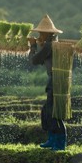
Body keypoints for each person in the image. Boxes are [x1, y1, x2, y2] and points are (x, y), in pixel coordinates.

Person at [28, 14, 67, 151]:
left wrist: (32, 46)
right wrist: (40, 45)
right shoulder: (52, 45)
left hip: (55, 79)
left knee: (53, 111)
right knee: (47, 110)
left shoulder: (49, 46)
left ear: (47, 34)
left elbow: (34, 61)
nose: (39, 35)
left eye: (41, 33)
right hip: (58, 79)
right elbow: (42, 60)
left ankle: (60, 142)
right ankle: (52, 139)